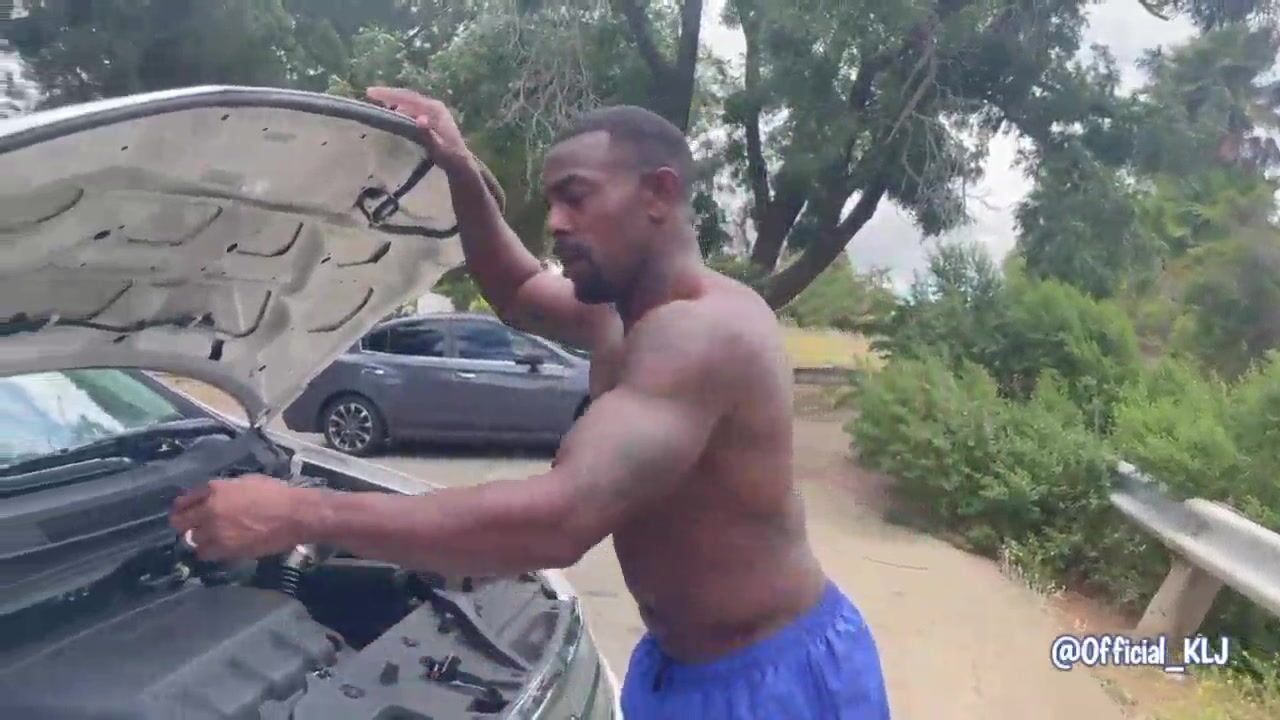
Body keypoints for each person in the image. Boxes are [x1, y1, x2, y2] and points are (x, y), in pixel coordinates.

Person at [169, 86, 891, 719]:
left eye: (576, 197)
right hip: (677, 668)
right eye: (551, 202)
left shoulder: (701, 333)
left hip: (773, 682)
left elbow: (560, 519)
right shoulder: (618, 316)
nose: (556, 222)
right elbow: (516, 288)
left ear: (659, 194)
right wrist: (459, 167)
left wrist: (303, 512)